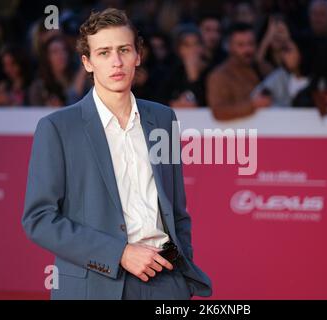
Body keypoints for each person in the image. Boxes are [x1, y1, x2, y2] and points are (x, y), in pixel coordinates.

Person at [22, 8, 212, 300]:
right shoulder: (57, 128)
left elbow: (177, 211)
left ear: (138, 55)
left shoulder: (163, 119)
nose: (116, 62)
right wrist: (119, 254)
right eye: (104, 52)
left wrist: (181, 275)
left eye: (124, 49)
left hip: (167, 283)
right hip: (96, 286)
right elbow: (39, 219)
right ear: (87, 63)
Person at [206, 23, 272, 120]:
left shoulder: (264, 68)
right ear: (230, 47)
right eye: (241, 45)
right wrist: (253, 106)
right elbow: (219, 111)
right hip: (238, 133)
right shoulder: (220, 75)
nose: (247, 49)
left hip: (271, 130)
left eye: (251, 43)